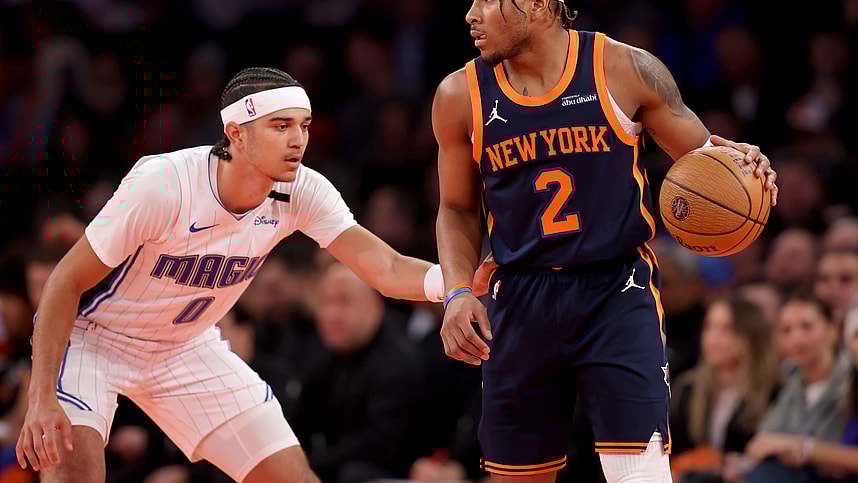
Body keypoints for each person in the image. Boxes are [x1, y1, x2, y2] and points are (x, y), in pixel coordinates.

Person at [15, 67, 454, 483]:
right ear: (236, 134)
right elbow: (64, 281)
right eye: (280, 126)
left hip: (184, 346)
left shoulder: (302, 189)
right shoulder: (164, 184)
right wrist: (39, 398)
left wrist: (453, 285)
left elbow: (386, 267)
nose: (298, 139)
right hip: (97, 339)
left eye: (303, 125)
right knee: (71, 468)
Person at [432, 1, 779, 481]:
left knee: (640, 474)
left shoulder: (624, 68)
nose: (470, 14)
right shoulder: (458, 94)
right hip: (519, 295)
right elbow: (456, 208)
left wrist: (745, 170)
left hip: (616, 290)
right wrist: (456, 293)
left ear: (536, 5)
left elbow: (707, 165)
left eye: (488, 0)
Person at [669, 296, 779, 482]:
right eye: (709, 327)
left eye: (726, 329)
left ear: (751, 335)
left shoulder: (774, 391)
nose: (713, 338)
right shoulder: (687, 388)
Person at [745, 293, 851, 483]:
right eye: (786, 330)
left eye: (806, 327)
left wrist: (797, 447)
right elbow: (761, 443)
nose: (797, 338)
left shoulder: (851, 381)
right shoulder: (789, 383)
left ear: (833, 330)